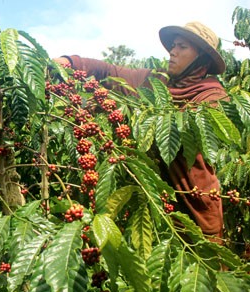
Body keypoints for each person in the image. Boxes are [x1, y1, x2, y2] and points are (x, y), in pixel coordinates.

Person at [54, 21, 227, 240]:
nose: (172, 52)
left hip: (195, 201)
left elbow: (190, 131)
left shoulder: (213, 95)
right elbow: (110, 71)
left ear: (201, 58)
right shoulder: (155, 81)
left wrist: (130, 109)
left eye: (182, 47)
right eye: (173, 45)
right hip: (153, 198)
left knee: (202, 267)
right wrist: (69, 62)